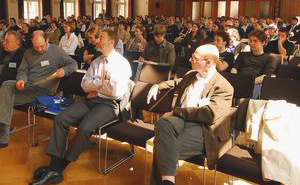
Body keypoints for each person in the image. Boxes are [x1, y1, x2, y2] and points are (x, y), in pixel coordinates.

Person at [29, 29, 132, 185]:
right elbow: (84, 85)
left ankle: (61, 166)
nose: (97, 40)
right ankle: (54, 167)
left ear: (111, 43)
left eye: (101, 38)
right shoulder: (97, 61)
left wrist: (95, 88)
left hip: (109, 105)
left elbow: (116, 91)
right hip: (90, 100)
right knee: (61, 119)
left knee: (84, 128)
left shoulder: (121, 64)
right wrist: (100, 84)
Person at [0, 31, 78, 152]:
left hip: (43, 90)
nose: (39, 49)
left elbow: (73, 64)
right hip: (28, 86)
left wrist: (64, 70)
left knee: (4, 98)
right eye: (36, 46)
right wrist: (21, 81)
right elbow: (22, 71)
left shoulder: (57, 51)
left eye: (41, 46)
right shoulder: (28, 53)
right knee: (7, 85)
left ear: (47, 41)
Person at [148, 44, 233, 185]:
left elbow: (209, 115)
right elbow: (176, 82)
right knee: (163, 123)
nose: (189, 59)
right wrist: (158, 85)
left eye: (194, 57)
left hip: (204, 128)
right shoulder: (191, 75)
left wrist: (177, 112)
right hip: (182, 121)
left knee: (161, 145)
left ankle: (166, 181)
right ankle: (168, 181)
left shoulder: (224, 87)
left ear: (208, 62)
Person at [231, 30, 276, 98]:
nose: (252, 43)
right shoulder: (243, 55)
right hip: (239, 81)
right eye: (250, 40)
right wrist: (234, 78)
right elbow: (234, 68)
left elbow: (265, 76)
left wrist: (249, 82)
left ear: (263, 42)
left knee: (254, 89)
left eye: (255, 41)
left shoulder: (270, 59)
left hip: (255, 83)